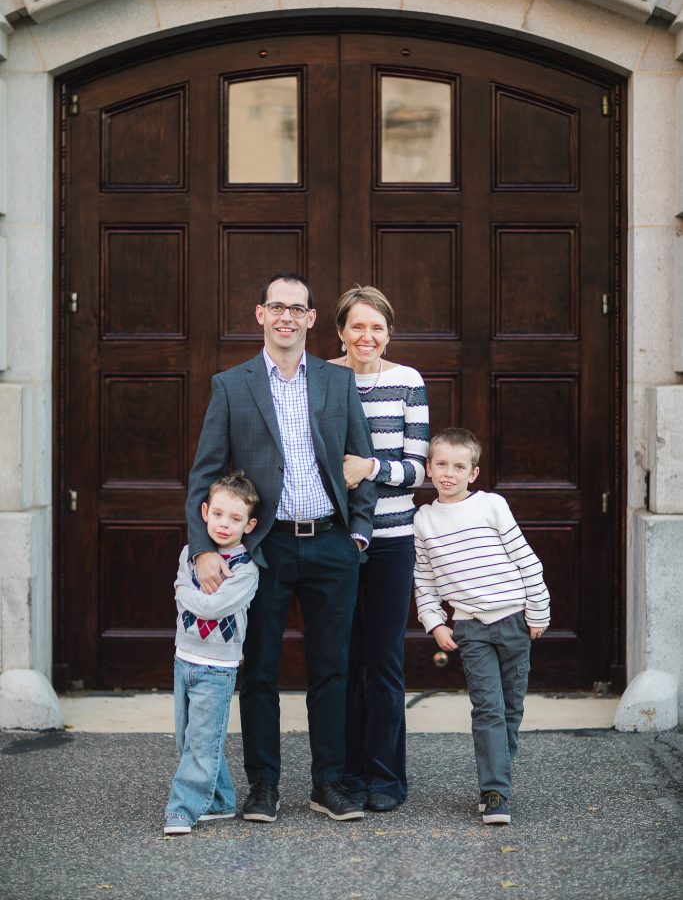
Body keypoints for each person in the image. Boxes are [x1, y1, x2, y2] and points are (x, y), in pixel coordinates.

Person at [186, 273, 376, 823]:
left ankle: (328, 784)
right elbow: (204, 476)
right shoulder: (232, 384)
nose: (287, 317)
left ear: (313, 319)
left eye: (298, 308)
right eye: (277, 307)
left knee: (331, 670)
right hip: (263, 549)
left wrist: (357, 535)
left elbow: (359, 467)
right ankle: (263, 786)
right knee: (261, 669)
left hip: (332, 545)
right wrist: (204, 548)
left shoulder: (336, 384)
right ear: (260, 314)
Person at [413, 427, 550, 825]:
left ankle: (498, 779)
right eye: (441, 464)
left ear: (473, 473)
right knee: (487, 708)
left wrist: (538, 612)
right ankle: (495, 793)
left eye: (459, 466)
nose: (448, 473)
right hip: (470, 628)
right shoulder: (424, 520)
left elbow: (526, 560)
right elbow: (424, 579)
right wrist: (436, 623)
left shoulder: (492, 506)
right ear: (428, 468)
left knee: (511, 709)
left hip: (513, 622)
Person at [329, 286, 429, 811]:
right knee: (343, 660)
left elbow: (417, 469)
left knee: (385, 660)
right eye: (357, 327)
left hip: (391, 540)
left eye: (377, 328)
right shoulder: (321, 376)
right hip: (333, 542)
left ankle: (387, 777)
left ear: (388, 333)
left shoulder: (407, 383)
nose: (367, 337)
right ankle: (345, 774)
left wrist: (369, 469)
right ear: (340, 331)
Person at [164, 472, 260, 836]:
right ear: (204, 512)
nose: (224, 524)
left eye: (235, 519)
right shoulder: (192, 552)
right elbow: (182, 585)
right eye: (218, 514)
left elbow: (211, 606)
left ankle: (183, 809)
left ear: (249, 524)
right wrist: (184, 590)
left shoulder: (246, 570)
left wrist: (184, 592)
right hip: (183, 657)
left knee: (202, 743)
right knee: (189, 738)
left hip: (217, 667)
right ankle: (220, 801)